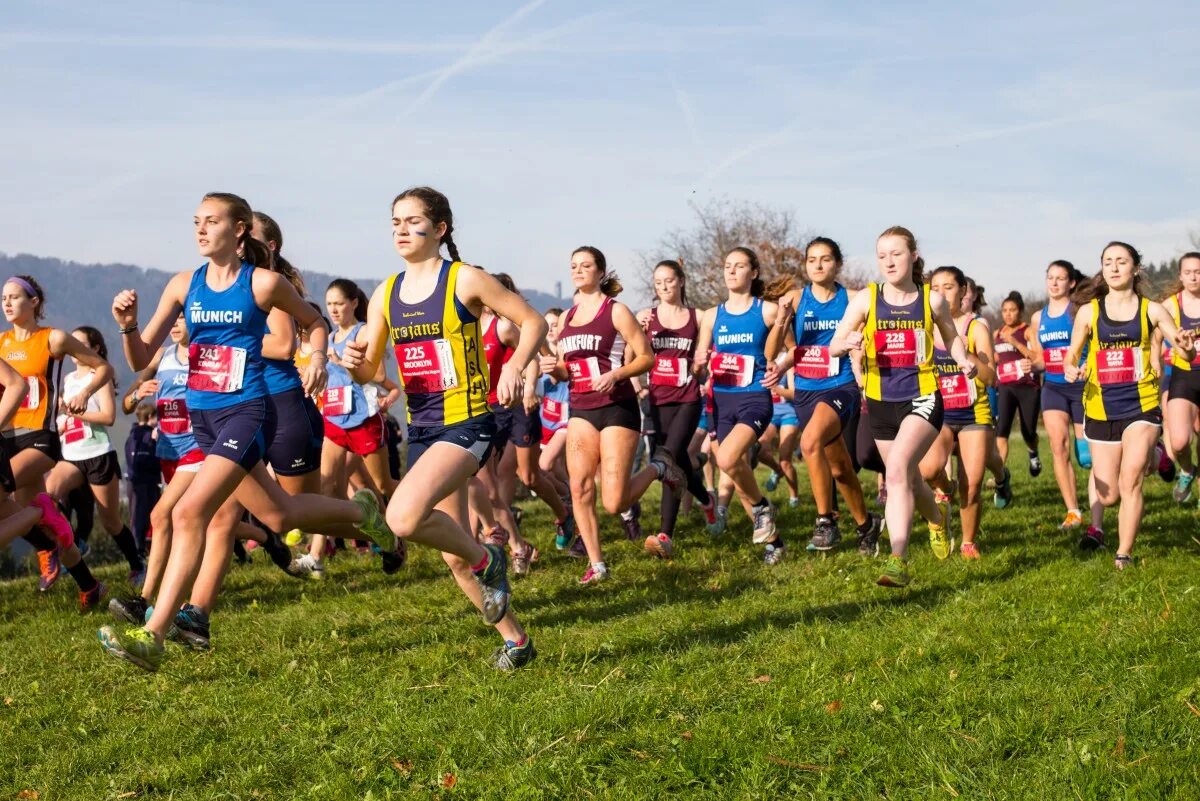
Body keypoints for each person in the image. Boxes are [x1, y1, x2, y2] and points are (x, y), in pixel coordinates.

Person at [98, 191, 396, 671]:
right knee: (279, 516)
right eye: (195, 221)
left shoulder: (263, 284)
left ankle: (153, 636)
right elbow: (139, 358)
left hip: (247, 413)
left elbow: (313, 321)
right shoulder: (182, 284)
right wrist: (128, 327)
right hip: (203, 417)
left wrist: (318, 357)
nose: (199, 229)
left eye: (210, 221)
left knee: (192, 512)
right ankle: (364, 515)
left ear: (238, 230)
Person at [340, 185, 547, 669]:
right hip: (423, 429)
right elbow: (371, 370)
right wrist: (353, 365)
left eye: (413, 222)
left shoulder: (465, 280)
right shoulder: (385, 294)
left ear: (439, 229)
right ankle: (517, 642)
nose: (401, 231)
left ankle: (489, 559)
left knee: (404, 518)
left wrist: (517, 365)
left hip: (469, 422)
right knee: (451, 553)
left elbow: (533, 321)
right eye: (395, 223)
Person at [829, 226, 976, 587]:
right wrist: (845, 342)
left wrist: (963, 360)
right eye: (882, 256)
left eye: (896, 253)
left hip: (923, 397)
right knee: (908, 478)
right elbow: (833, 346)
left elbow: (951, 338)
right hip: (880, 402)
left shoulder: (932, 301)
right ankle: (938, 517)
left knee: (895, 470)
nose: (889, 261)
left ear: (913, 255)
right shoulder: (866, 299)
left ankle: (898, 559)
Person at [546, 247, 681, 583]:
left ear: (600, 271)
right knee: (578, 486)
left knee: (613, 501)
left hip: (616, 407)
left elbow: (647, 358)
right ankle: (597, 564)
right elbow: (569, 367)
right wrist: (556, 370)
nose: (578, 270)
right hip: (580, 408)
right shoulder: (566, 318)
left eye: (586, 265)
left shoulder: (616, 312)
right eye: (573, 265)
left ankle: (658, 467)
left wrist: (617, 375)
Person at [1063, 241, 1195, 568]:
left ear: (1135, 268)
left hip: (1142, 404)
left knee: (1130, 479)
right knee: (1108, 496)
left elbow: (1183, 351)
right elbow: (1071, 355)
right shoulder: (1089, 312)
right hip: (1099, 406)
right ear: (1102, 268)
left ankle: (1124, 553)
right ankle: (1158, 455)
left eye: (1122, 261)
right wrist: (1071, 369)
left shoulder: (1152, 309)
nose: (1114, 267)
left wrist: (1188, 349)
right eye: (1108, 262)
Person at [0, 274, 112, 608]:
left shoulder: (54, 340)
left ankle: (43, 535)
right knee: (24, 515)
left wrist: (86, 393)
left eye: (14, 297)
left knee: (20, 512)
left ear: (34, 302)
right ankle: (89, 585)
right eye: (3, 297)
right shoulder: (2, 343)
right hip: (7, 440)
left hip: (39, 440)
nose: (6, 303)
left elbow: (102, 367)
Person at [768, 236, 883, 555]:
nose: (818, 265)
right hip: (805, 389)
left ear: (838, 264)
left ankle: (825, 520)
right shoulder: (794, 298)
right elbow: (782, 348)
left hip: (841, 385)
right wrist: (780, 328)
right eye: (811, 260)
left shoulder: (853, 298)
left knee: (809, 443)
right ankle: (866, 525)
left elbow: (871, 335)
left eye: (825, 259)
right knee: (840, 467)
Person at [46, 326, 146, 585]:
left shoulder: (98, 376)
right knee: (48, 495)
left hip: (98, 455)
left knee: (111, 522)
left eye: (79, 343)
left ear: (96, 348)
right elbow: (65, 417)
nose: (73, 347)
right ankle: (69, 546)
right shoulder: (67, 380)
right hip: (70, 456)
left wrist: (73, 412)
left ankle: (137, 565)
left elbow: (108, 417)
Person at [637, 259, 716, 558]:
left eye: (669, 280)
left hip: (687, 397)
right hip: (658, 399)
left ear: (681, 281)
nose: (664, 287)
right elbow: (633, 355)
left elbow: (703, 357)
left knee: (667, 459)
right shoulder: (647, 316)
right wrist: (641, 331)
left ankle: (665, 535)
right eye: (658, 283)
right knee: (680, 457)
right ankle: (706, 501)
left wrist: (701, 365)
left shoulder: (697, 317)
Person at [919, 267, 997, 559]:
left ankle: (967, 541)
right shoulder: (925, 327)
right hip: (939, 411)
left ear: (963, 291)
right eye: (935, 287)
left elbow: (991, 377)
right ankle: (945, 488)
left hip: (973, 413)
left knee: (973, 484)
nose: (940, 293)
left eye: (948, 287)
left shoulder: (975, 328)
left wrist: (968, 354)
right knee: (927, 470)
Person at [1030, 260, 1094, 529]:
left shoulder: (1079, 311)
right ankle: (1073, 512)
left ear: (1071, 283)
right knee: (1058, 445)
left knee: (1087, 456)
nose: (1054, 283)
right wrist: (1030, 364)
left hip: (1080, 386)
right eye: (1050, 278)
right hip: (1053, 387)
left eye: (1060, 278)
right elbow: (1040, 358)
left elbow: (1092, 346)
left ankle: (1101, 499)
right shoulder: (1037, 318)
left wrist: (1083, 368)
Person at [1159, 252, 1200, 502]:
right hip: (1183, 375)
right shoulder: (1170, 306)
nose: (1194, 277)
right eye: (1188, 272)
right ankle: (1186, 470)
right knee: (1179, 440)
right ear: (1180, 276)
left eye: (1198, 271)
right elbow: (1154, 341)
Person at [994, 292, 1042, 476]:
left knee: (1028, 431)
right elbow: (997, 358)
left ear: (1020, 311)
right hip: (1005, 386)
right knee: (1002, 430)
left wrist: (1016, 343)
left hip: (1027, 386)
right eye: (1004, 310)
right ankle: (999, 474)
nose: (1008, 314)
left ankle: (1033, 453)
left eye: (1012, 310)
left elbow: (1038, 358)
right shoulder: (997, 333)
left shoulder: (1028, 331)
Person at [125, 401, 161, 555]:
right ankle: (139, 550)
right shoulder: (146, 436)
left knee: (139, 517)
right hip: (145, 482)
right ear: (150, 417)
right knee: (142, 518)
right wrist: (154, 443)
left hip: (135, 481)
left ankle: (140, 548)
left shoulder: (132, 436)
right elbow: (144, 459)